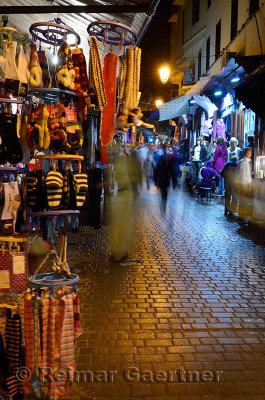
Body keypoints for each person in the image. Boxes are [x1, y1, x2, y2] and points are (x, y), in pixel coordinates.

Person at [237, 147, 253, 219]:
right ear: (246, 153)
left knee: (243, 200)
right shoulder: (244, 162)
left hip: (245, 184)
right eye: (249, 153)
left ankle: (242, 215)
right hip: (244, 184)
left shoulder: (245, 162)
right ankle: (242, 215)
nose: (250, 155)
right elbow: (243, 174)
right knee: (243, 200)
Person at [155, 145, 171, 211]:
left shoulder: (161, 158)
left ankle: (163, 203)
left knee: (163, 191)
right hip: (166, 177)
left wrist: (156, 180)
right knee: (165, 191)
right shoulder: (169, 158)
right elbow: (171, 169)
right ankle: (164, 204)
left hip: (162, 177)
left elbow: (157, 169)